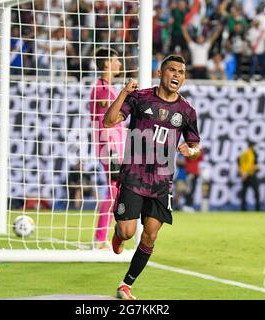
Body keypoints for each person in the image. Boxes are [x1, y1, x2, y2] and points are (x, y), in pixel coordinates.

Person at [103, 54, 201, 299]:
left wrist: (190, 151)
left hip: (161, 182)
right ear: (160, 73)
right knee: (127, 232)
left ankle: (126, 285)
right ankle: (118, 234)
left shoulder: (187, 111)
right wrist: (124, 93)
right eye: (172, 70)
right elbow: (108, 121)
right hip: (134, 176)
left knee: (150, 234)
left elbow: (194, 144)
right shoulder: (139, 98)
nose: (177, 75)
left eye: (181, 71)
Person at [90, 47, 126, 249]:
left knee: (119, 192)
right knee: (113, 192)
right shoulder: (103, 90)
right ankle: (100, 239)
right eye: (116, 60)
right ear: (106, 64)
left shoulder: (108, 88)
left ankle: (110, 237)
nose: (119, 63)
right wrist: (112, 152)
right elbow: (106, 123)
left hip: (116, 149)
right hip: (110, 149)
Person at [238, 141, 260, 211]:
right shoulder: (253, 153)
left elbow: (239, 162)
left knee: (244, 192)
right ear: (252, 146)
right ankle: (257, 208)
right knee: (256, 192)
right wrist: (248, 172)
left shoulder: (243, 153)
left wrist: (242, 173)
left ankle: (243, 208)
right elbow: (252, 164)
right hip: (251, 174)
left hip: (244, 175)